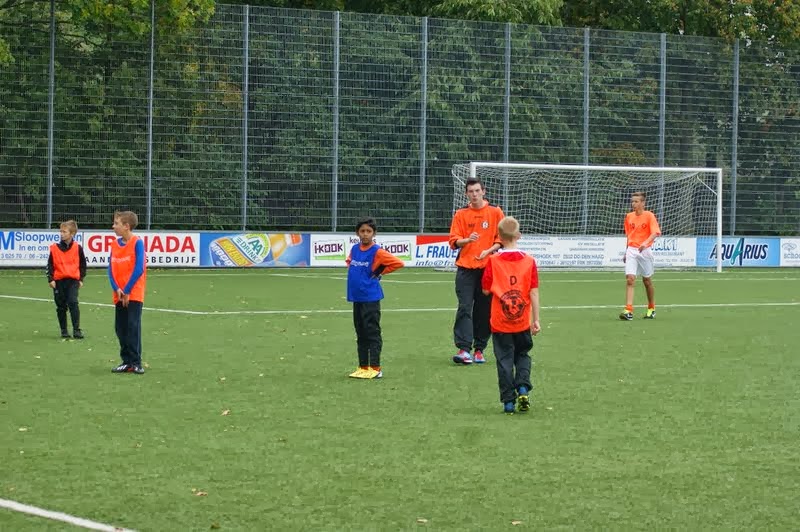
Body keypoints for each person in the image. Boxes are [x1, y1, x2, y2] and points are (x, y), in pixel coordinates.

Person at [481, 216, 540, 414]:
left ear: (499, 237)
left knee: (504, 360)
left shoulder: (493, 261)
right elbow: (534, 292)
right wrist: (536, 319)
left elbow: (486, 290)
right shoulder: (529, 261)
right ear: (518, 235)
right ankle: (522, 386)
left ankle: (508, 401)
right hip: (522, 321)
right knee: (522, 354)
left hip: (500, 321)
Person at [448, 177, 505, 365]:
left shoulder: (495, 212)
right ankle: (464, 349)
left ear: (483, 191)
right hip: (465, 269)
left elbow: (501, 239)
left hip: (488, 270)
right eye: (471, 191)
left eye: (477, 191)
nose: (474, 194)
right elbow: (454, 241)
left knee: (484, 310)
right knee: (464, 307)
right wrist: (467, 240)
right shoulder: (461, 214)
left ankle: (480, 349)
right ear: (466, 194)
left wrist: (488, 251)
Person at [346, 217, 404, 379]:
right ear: (357, 233)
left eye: (368, 231)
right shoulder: (355, 249)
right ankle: (363, 366)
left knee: (372, 332)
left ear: (374, 233)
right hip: (356, 297)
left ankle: (376, 367)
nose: (365, 234)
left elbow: (398, 263)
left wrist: (379, 272)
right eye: (362, 231)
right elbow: (350, 262)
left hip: (370, 298)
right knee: (360, 332)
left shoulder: (377, 251)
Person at [108, 211, 147, 374]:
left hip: (133, 293)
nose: (113, 226)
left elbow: (139, 268)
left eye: (116, 223)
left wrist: (127, 290)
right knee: (120, 328)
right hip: (119, 293)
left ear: (126, 226)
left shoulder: (137, 243)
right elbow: (110, 269)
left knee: (133, 326)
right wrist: (116, 288)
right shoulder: (114, 245)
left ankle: (136, 362)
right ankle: (126, 361)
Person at [619, 191, 661, 321]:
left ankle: (651, 308)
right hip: (632, 250)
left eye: (636, 201)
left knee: (647, 281)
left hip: (645, 251)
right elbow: (629, 236)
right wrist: (626, 251)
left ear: (643, 203)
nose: (633, 204)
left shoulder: (649, 216)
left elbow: (655, 233)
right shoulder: (629, 217)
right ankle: (629, 310)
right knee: (630, 279)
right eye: (632, 201)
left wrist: (645, 243)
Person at [46, 220, 87, 339]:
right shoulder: (54, 248)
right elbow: (50, 265)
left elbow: (83, 265)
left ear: (72, 233)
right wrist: (50, 279)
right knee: (61, 306)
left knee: (73, 302)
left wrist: (81, 279)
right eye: (61, 231)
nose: (61, 234)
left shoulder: (78, 248)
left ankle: (76, 330)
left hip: (73, 281)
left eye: (64, 232)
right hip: (58, 281)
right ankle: (64, 330)